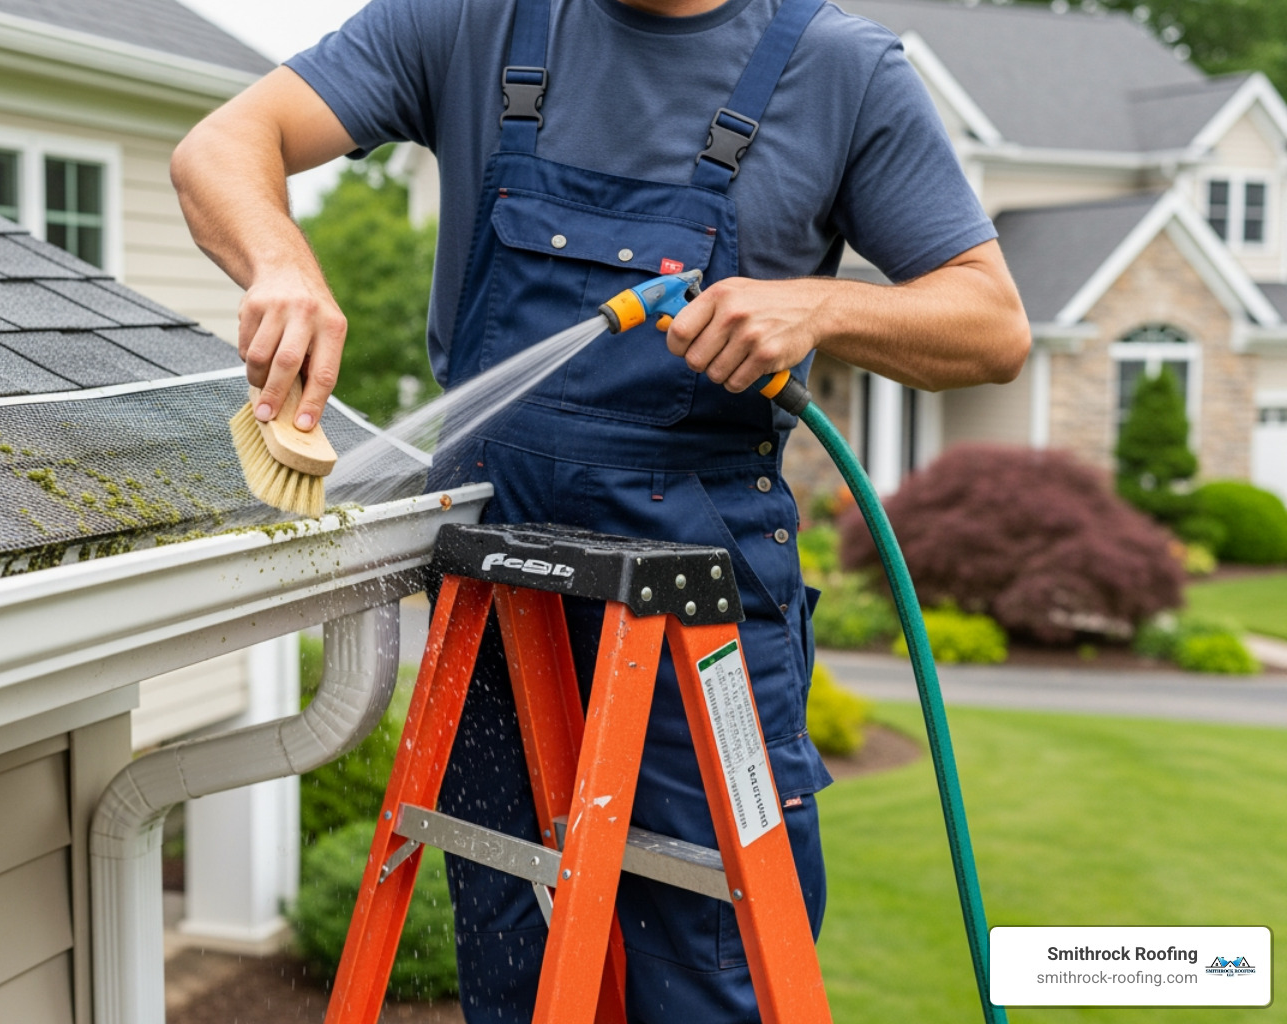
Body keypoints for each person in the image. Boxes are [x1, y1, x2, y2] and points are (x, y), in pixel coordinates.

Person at [172, 0, 1030, 1018]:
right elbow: (222, 145)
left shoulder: (841, 71)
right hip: (500, 612)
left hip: (700, 624)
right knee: (512, 956)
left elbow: (993, 325)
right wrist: (283, 264)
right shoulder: (472, 24)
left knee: (709, 969)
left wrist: (823, 305)